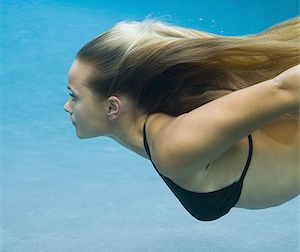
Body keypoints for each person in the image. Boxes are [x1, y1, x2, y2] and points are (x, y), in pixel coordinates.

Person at [64, 16, 300, 221]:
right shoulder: (166, 125)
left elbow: (286, 89)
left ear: (112, 107)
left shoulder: (173, 146)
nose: (67, 107)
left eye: (74, 96)